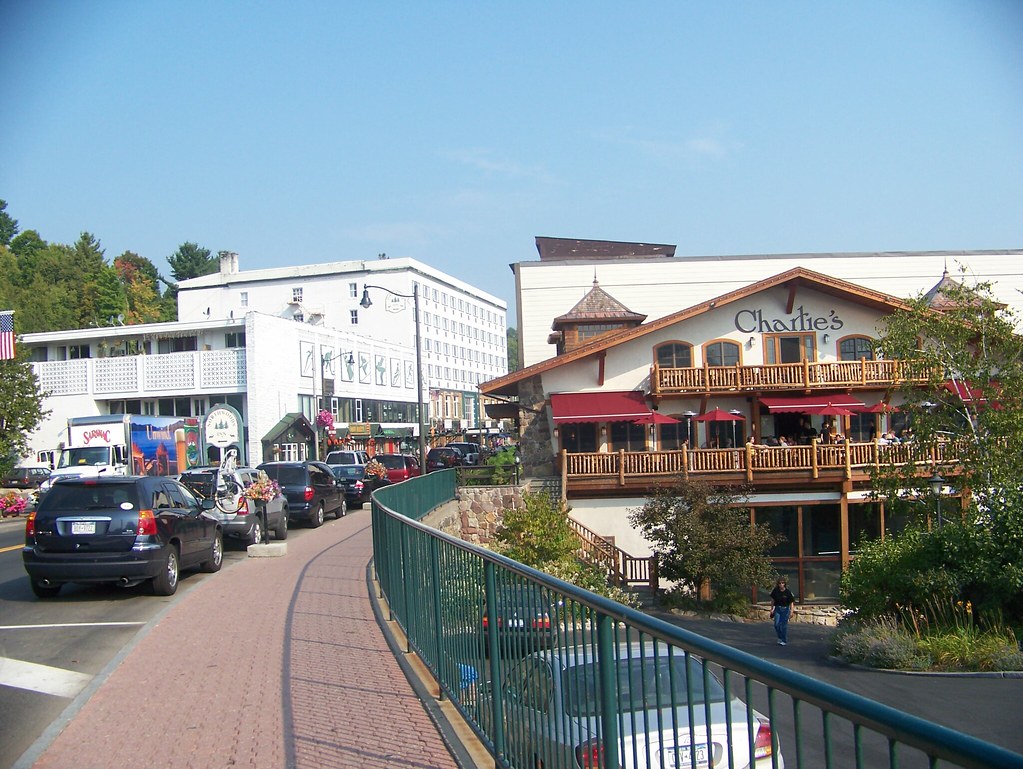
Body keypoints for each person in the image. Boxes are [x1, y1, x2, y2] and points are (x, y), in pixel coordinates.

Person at [770, 577, 795, 645]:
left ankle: (784, 640)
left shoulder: (787, 592)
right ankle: (780, 637)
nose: (781, 584)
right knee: (776, 624)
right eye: (780, 583)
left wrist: (791, 611)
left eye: (782, 583)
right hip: (778, 608)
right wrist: (772, 609)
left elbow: (791, 602)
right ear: (778, 584)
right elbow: (773, 600)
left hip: (785, 609)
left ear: (785, 584)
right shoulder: (775, 591)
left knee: (784, 625)